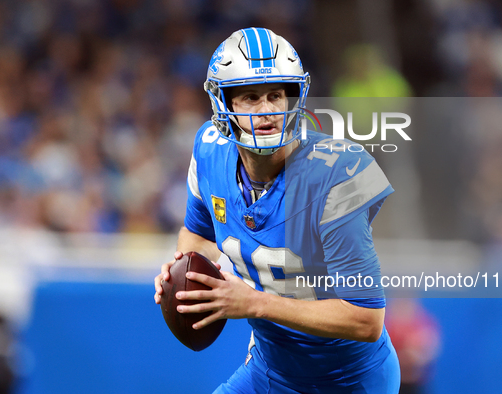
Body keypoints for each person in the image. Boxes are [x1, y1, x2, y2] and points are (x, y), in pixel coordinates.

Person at [154, 27, 400, 393]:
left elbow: (366, 320)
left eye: (275, 95)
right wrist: (186, 270)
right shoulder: (209, 150)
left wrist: (255, 303)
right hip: (271, 371)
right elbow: (198, 234)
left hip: (349, 381)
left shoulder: (334, 174)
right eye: (251, 97)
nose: (267, 110)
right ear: (224, 105)